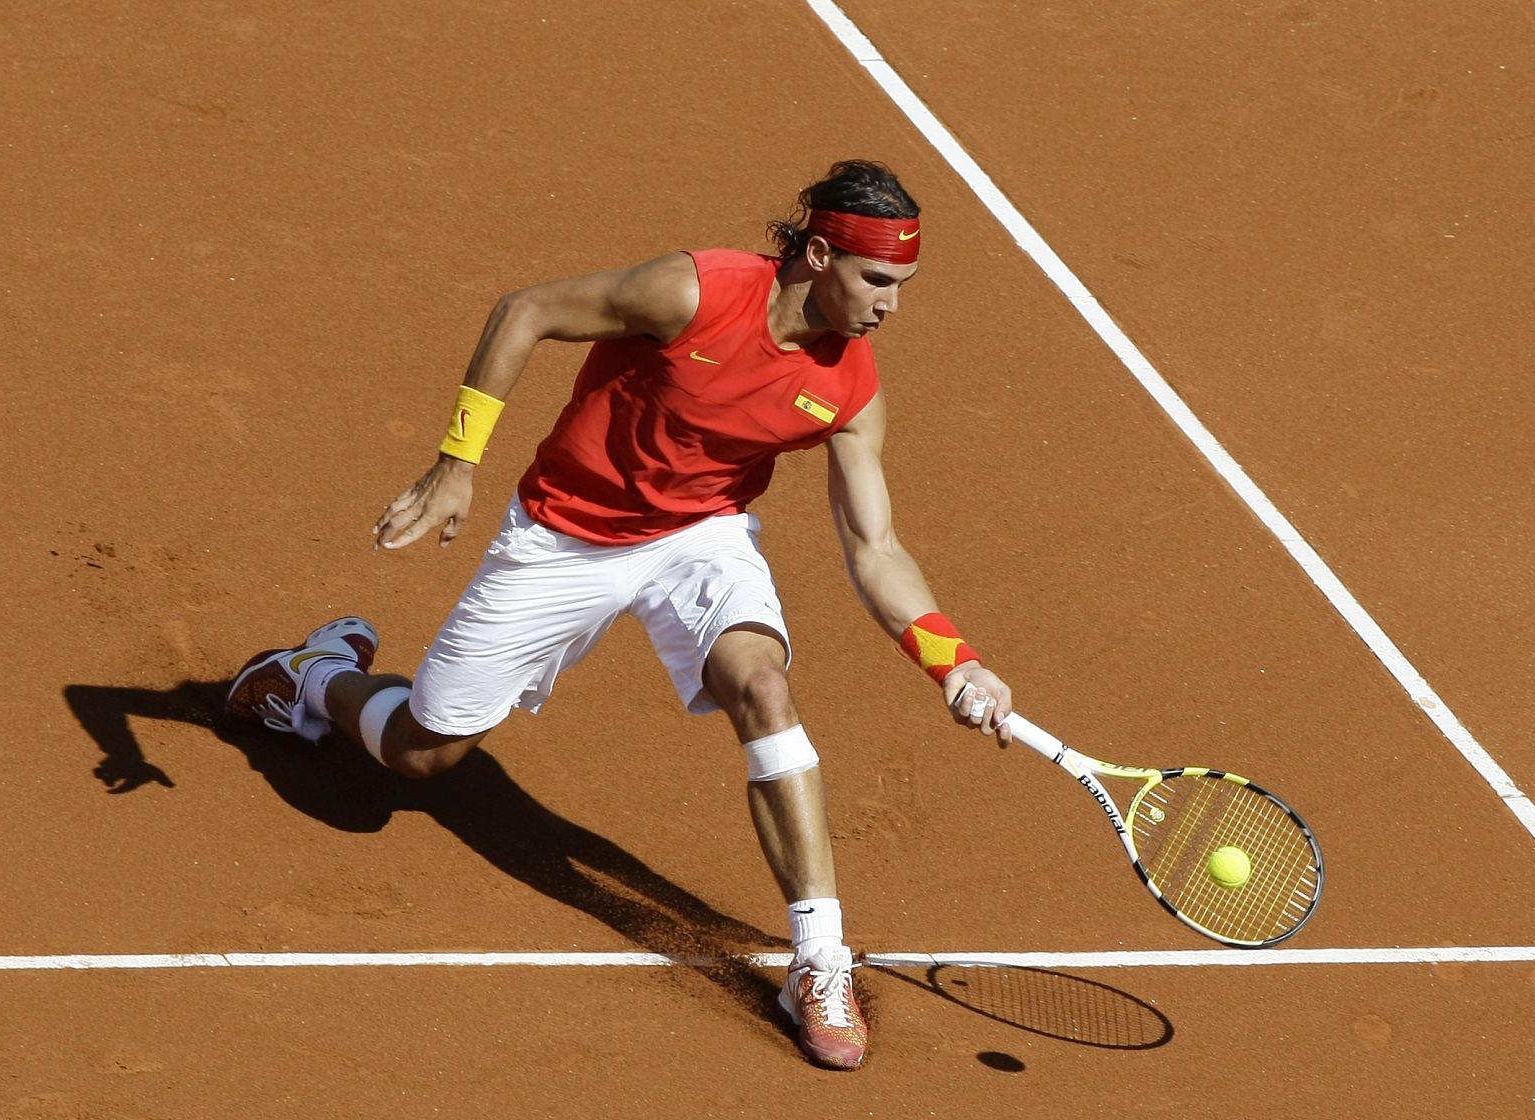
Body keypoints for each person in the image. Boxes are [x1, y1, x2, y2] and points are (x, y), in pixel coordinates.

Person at [225, 159, 1016, 1071]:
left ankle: (817, 960)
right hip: (562, 535)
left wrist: (953, 660)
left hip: (699, 538)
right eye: (878, 282)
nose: (890, 307)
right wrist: (457, 463)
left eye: (903, 288)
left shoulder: (852, 388)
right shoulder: (691, 291)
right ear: (821, 254)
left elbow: (875, 550)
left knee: (764, 686)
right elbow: (525, 310)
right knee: (420, 752)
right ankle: (317, 678)